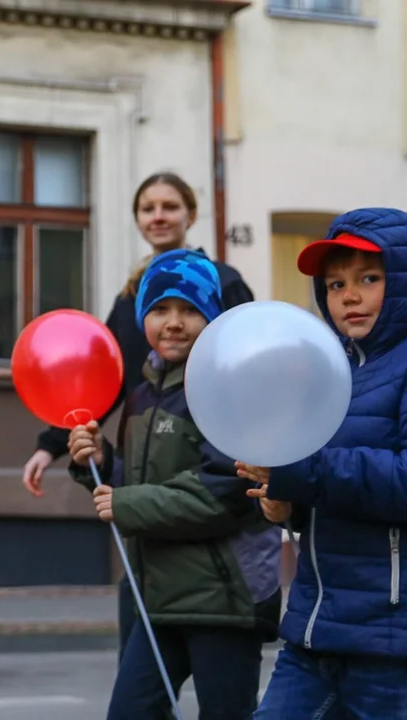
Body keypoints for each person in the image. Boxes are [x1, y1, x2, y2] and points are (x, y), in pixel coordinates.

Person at [241, 209, 407, 719]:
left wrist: (302, 473)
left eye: (368, 279)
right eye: (334, 284)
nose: (347, 296)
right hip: (320, 632)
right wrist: (288, 507)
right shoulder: (331, 374)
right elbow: (335, 492)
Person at [20, 172, 255, 660]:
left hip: (202, 447)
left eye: (170, 206)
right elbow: (100, 371)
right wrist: (53, 441)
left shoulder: (225, 283)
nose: (159, 216)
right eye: (148, 208)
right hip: (144, 445)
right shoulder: (131, 295)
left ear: (190, 215)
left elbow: (249, 366)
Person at [68, 249, 281, 720]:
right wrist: (98, 464)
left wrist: (126, 502)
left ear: (213, 318)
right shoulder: (142, 394)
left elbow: (225, 491)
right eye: (160, 309)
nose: (174, 323)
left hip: (223, 601)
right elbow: (136, 485)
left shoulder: (229, 386)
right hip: (158, 597)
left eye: (190, 310)